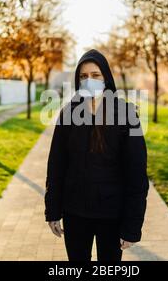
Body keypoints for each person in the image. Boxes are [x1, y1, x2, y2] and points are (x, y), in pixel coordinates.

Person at [44, 48, 149, 261]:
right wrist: (53, 210)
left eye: (95, 75)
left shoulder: (127, 115)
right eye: (83, 76)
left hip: (112, 216)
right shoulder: (68, 114)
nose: (89, 81)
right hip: (75, 214)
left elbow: (137, 175)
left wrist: (132, 226)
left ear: (106, 78)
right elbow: (56, 166)